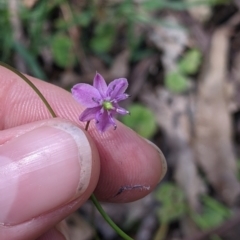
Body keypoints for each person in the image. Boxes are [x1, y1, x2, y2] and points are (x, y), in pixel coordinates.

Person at [0, 66, 167, 240]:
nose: (110, 105)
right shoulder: (86, 95)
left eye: (112, 104)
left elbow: (96, 116)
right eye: (108, 104)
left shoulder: (104, 112)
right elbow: (81, 99)